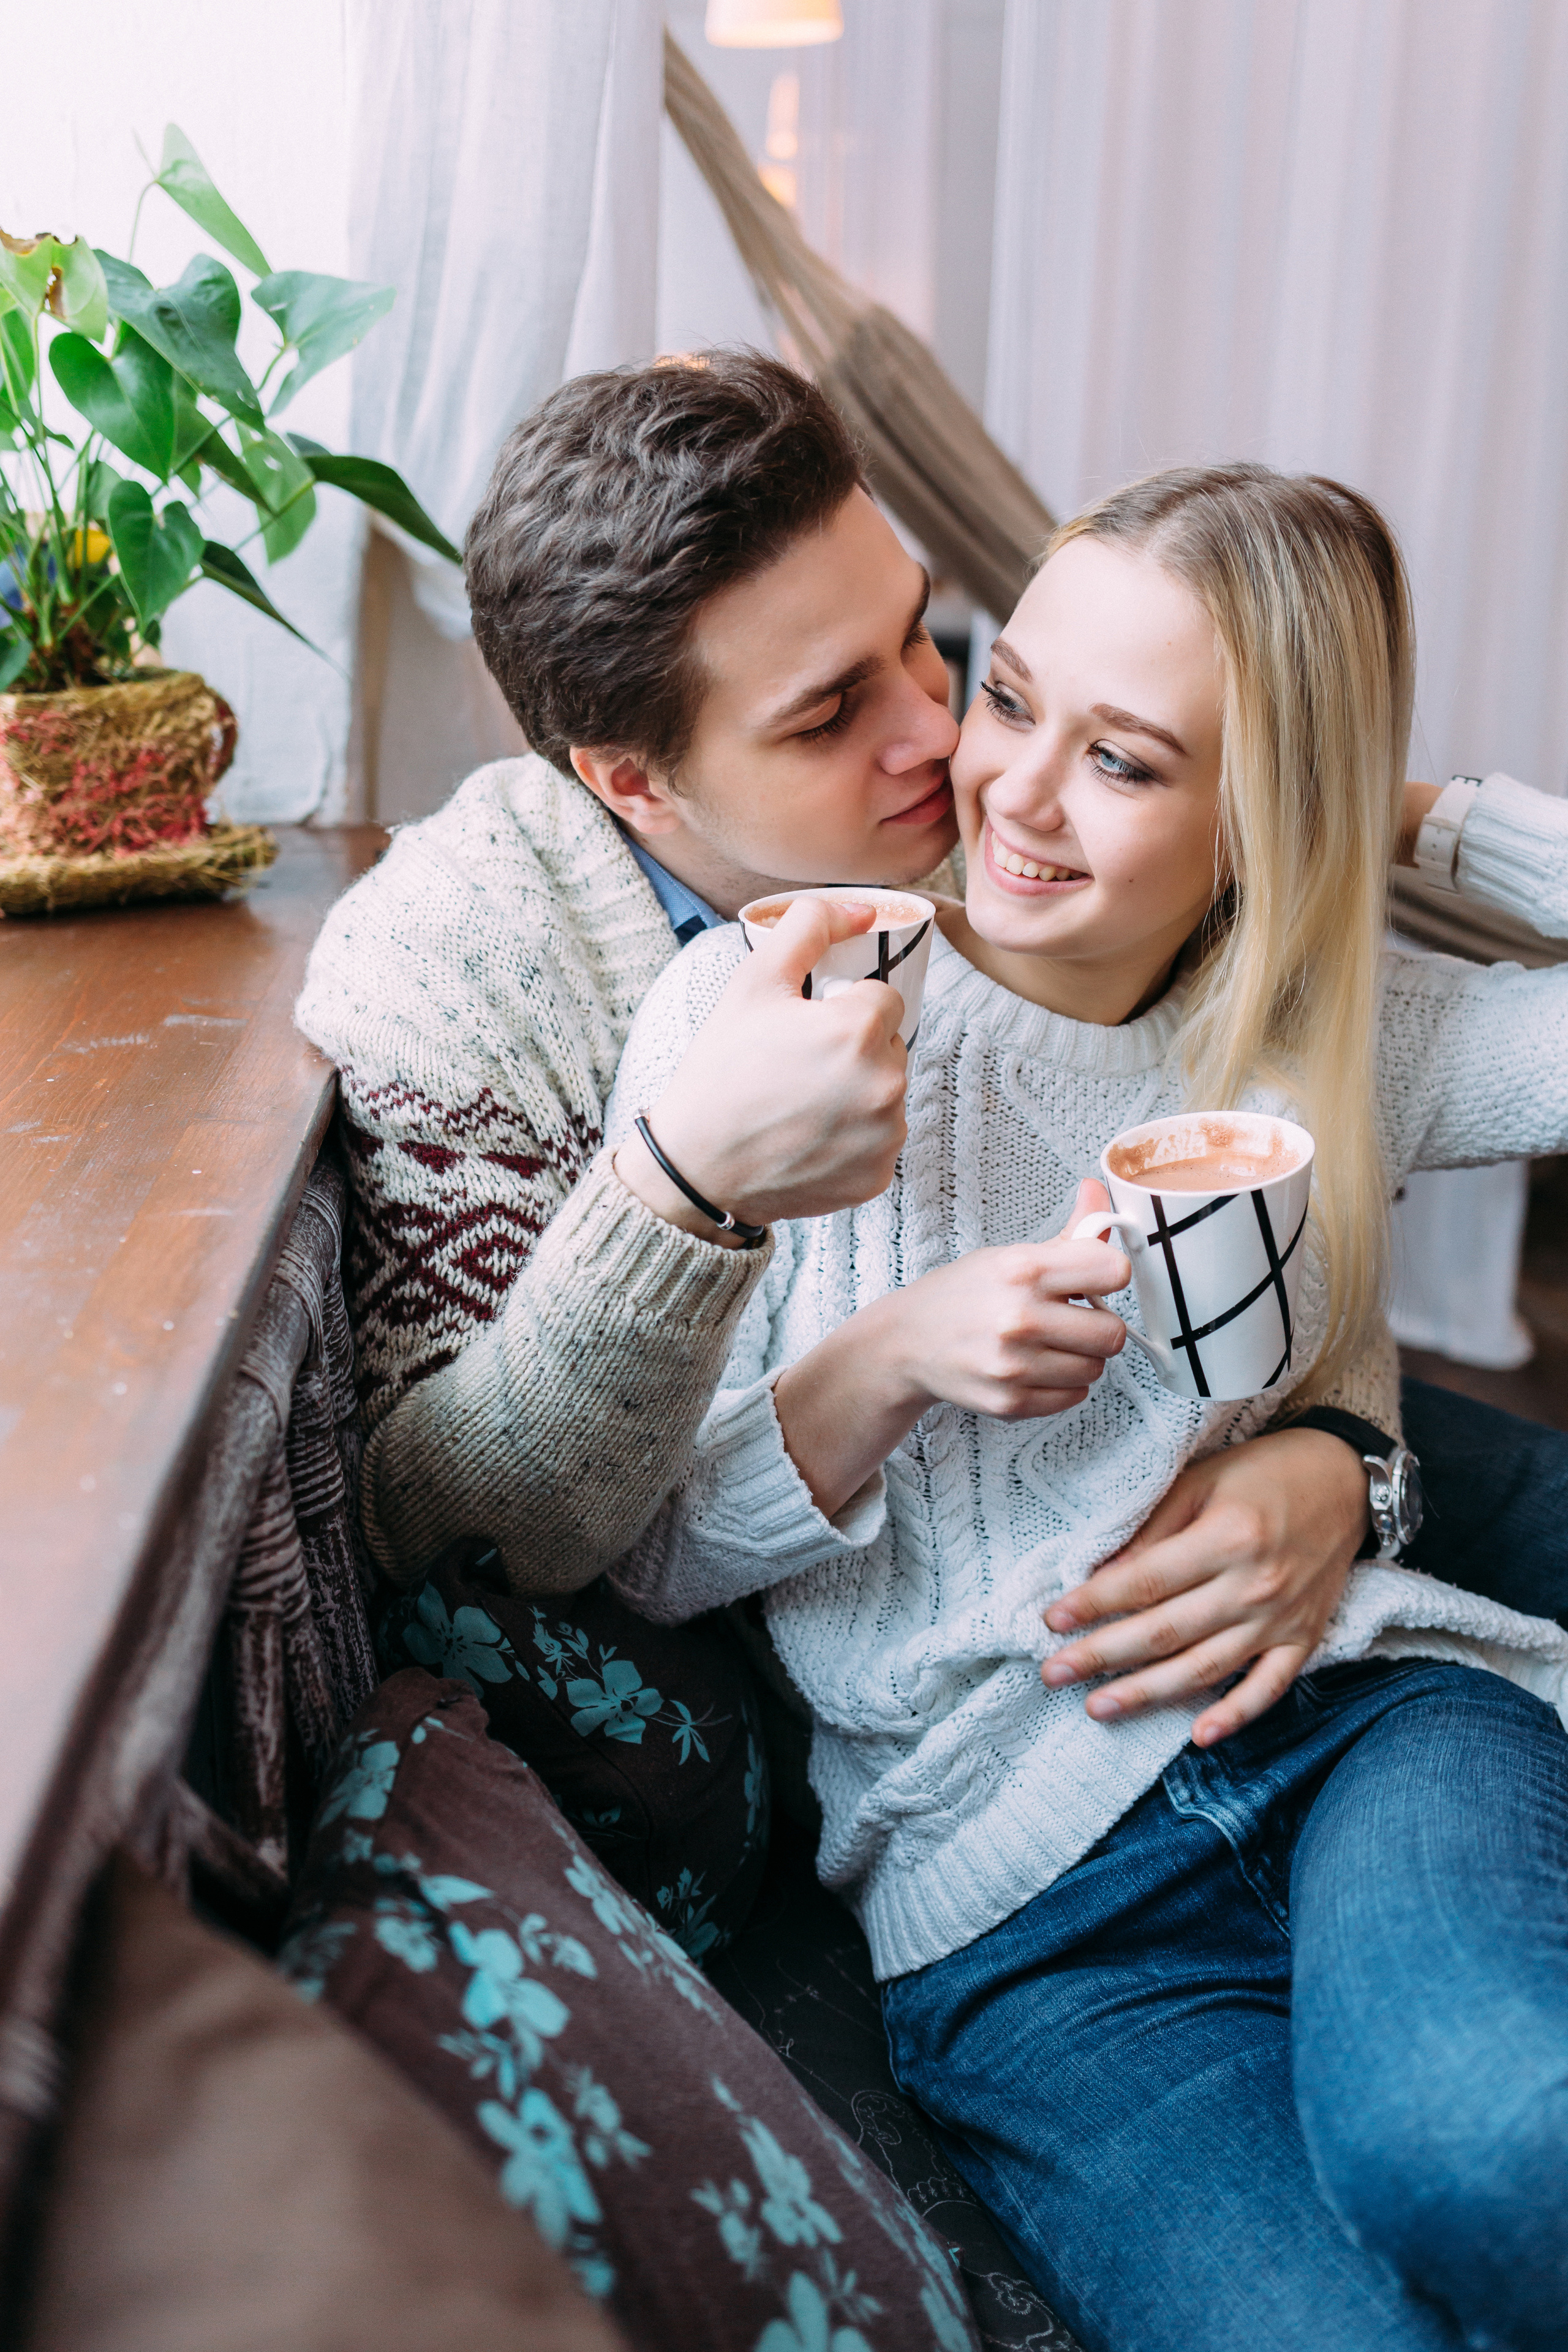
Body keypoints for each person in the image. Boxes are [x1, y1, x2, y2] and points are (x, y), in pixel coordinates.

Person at [603, 462, 1568, 2350]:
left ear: (1260, 807)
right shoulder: (775, 1003)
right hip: (1027, 1933)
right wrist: (885, 1363)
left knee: (1490, 2144)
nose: (1011, 792)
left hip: (1369, 1730)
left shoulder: (1332, 1038)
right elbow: (648, 1555)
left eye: (1126, 761)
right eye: (1013, 692)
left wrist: (1410, 814)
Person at [297, 352, 1567, 1755]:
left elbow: (1292, 1124)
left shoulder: (1018, 827)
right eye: (830, 712)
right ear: (632, 782)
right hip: (928, 1708)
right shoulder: (453, 966)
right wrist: (677, 1195)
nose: (941, 733)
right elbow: (447, 1527)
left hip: (1200, 1517)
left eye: (924, 638)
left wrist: (1346, 1460)